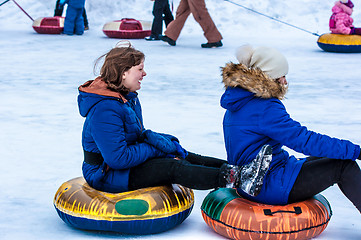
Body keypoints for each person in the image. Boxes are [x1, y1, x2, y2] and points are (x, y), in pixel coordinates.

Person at [77, 42, 272, 195]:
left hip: (121, 165)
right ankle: (237, 179)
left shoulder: (127, 99)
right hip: (106, 174)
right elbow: (118, 158)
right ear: (124, 72)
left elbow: (134, 137)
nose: (144, 74)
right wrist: (154, 148)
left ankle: (242, 170)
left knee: (183, 153)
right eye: (140, 69)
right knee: (173, 167)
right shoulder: (105, 109)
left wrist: (162, 143)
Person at [220, 44, 361, 213]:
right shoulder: (265, 107)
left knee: (331, 157)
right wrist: (356, 151)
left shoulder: (238, 100)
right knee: (344, 166)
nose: (285, 81)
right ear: (269, 76)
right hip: (266, 185)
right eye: (282, 76)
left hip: (250, 180)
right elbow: (303, 140)